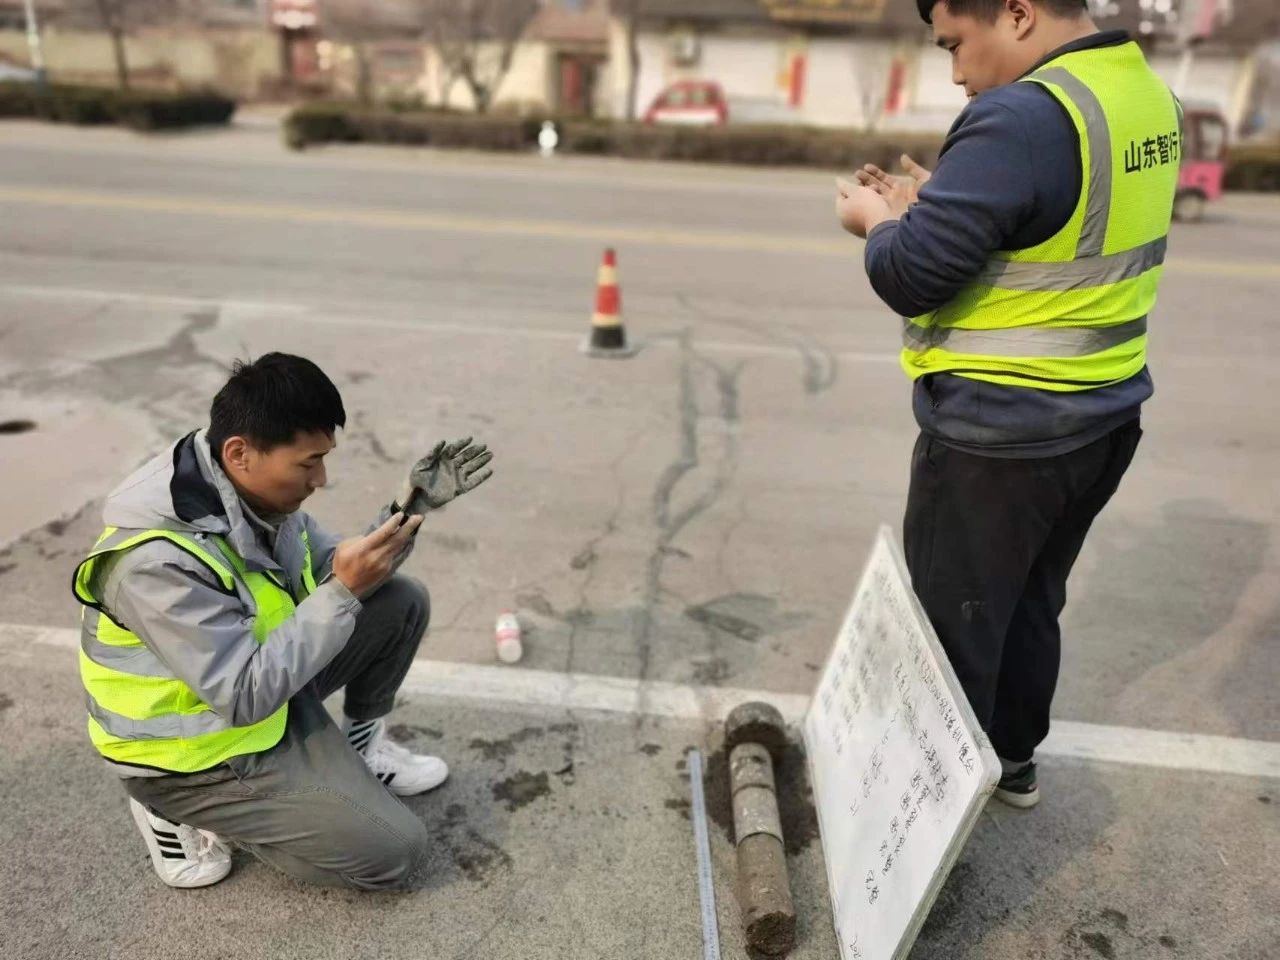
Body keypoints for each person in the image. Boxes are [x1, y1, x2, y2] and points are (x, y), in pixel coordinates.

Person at [835, 0, 1179, 807]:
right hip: (1101, 418)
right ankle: (1013, 762)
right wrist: (944, 199)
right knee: (1029, 600)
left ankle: (919, 819)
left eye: (956, 43)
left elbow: (911, 275)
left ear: (1018, 13)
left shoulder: (1018, 117)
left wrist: (879, 221)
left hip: (1000, 436)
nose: (956, 71)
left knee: (953, 628)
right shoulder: (1140, 93)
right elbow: (1062, 225)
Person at [72, 352, 494, 889]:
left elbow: (336, 568)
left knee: (398, 600)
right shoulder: (153, 563)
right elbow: (243, 692)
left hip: (263, 695)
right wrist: (343, 590)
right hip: (193, 754)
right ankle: (181, 812)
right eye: (308, 462)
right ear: (240, 452)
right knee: (392, 853)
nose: (321, 479)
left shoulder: (248, 496)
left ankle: (358, 751)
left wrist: (408, 511)